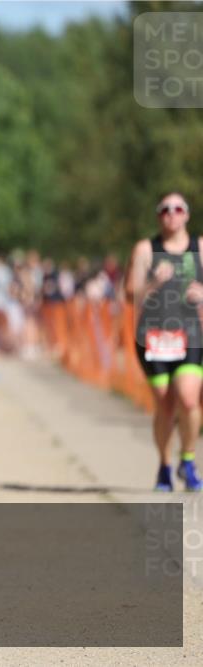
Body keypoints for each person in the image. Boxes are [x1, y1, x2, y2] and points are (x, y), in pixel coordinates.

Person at [124, 192, 203, 492]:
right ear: (159, 216)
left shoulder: (200, 248)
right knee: (165, 404)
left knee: (188, 398)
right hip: (153, 336)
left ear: (187, 215)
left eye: (178, 208)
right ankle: (164, 466)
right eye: (165, 209)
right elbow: (129, 293)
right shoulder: (146, 249)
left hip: (191, 334)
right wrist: (153, 282)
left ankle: (188, 460)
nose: (172, 214)